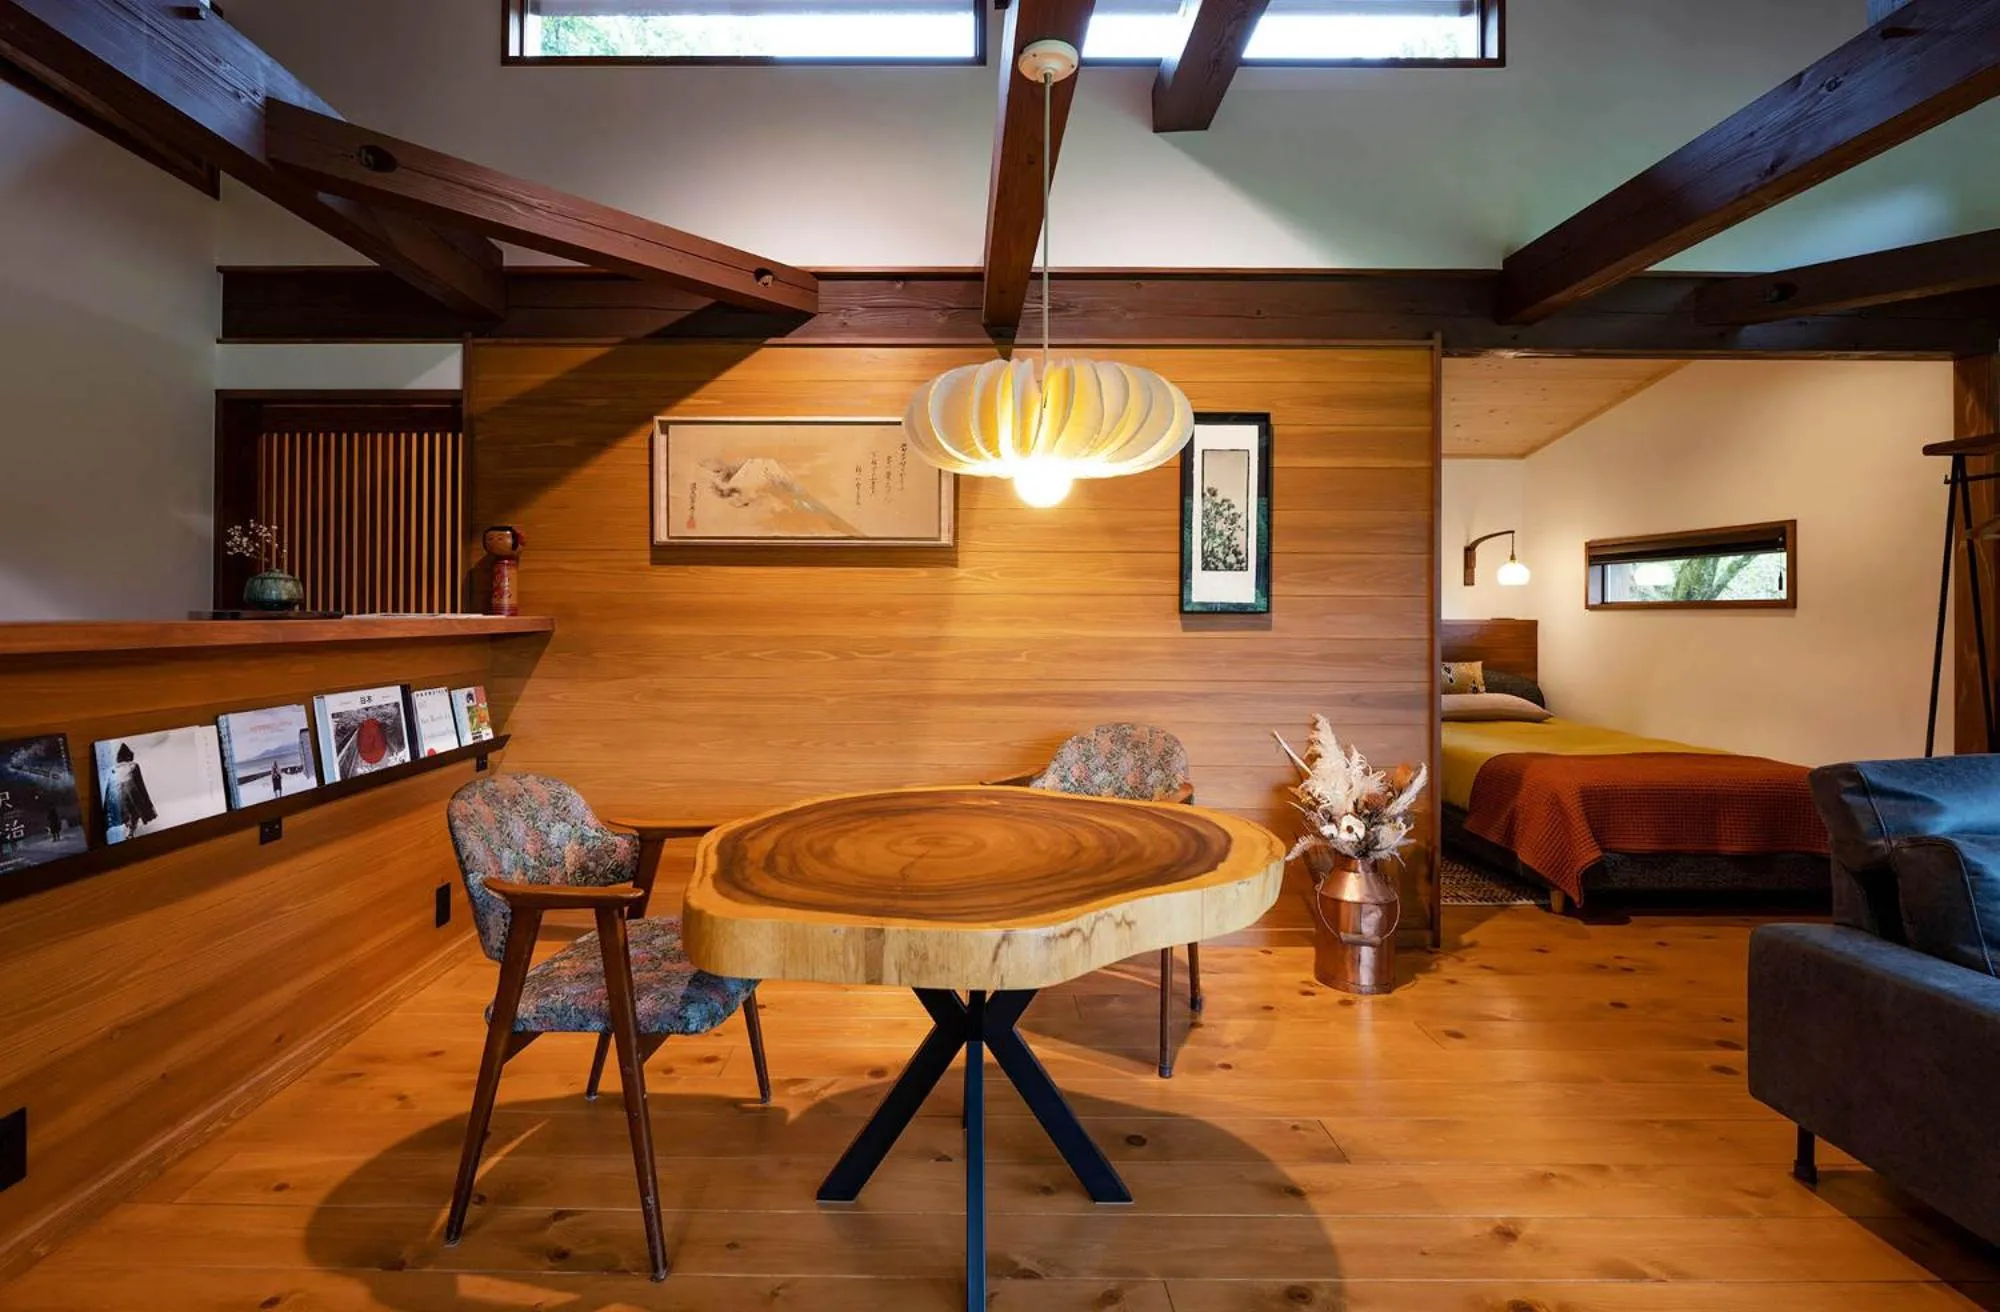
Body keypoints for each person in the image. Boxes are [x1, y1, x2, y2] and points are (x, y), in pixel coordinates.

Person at [103, 743, 158, 841]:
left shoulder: (113, 769)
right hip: (132, 796)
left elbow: (109, 789)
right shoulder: (134, 766)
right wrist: (149, 805)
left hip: (117, 798)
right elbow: (141, 785)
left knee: (126, 815)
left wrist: (106, 809)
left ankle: (128, 830)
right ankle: (130, 833)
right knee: (134, 813)